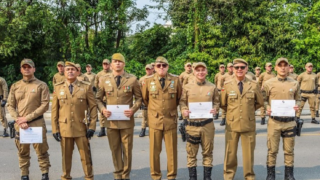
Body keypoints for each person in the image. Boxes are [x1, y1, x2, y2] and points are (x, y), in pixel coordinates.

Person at [96, 53, 142, 180]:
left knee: (127, 150)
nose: (117, 63)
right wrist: (103, 109)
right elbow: (98, 99)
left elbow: (139, 99)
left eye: (120, 61)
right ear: (111, 64)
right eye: (115, 61)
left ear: (124, 64)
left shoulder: (132, 79)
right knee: (115, 149)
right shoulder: (104, 80)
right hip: (111, 122)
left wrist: (133, 110)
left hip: (127, 121)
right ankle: (118, 174)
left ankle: (125, 175)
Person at [51, 61, 97, 180]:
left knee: (86, 157)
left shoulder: (86, 86)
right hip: (64, 128)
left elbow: (93, 107)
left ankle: (89, 177)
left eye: (73, 69)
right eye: (68, 70)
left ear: (77, 72)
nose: (70, 71)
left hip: (81, 127)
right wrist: (55, 129)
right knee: (66, 157)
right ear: (64, 72)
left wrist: (92, 127)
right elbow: (54, 111)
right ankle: (66, 177)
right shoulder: (58, 87)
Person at [7, 59, 51, 180]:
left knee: (42, 152)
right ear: (21, 69)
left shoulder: (41, 85)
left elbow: (44, 105)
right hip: (20, 125)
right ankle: (24, 174)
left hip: (37, 123)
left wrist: (26, 118)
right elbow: (10, 105)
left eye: (29, 67)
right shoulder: (15, 86)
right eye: (24, 67)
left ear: (34, 69)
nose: (27, 69)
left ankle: (44, 173)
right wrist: (18, 119)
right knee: (22, 152)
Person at [220, 58, 264, 180]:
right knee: (230, 154)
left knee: (248, 155)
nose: (239, 70)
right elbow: (223, 104)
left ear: (246, 69)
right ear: (233, 69)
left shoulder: (254, 85)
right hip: (232, 124)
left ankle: (249, 177)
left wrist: (248, 111)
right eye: (237, 67)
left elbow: (259, 102)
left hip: (248, 124)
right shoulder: (227, 85)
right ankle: (228, 177)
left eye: (242, 67)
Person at [141, 56, 182, 180]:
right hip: (155, 120)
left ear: (168, 67)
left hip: (170, 120)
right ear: (154, 67)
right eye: (159, 66)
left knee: (172, 152)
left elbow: (178, 98)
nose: (161, 68)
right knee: (154, 152)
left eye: (164, 65)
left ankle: (171, 176)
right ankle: (156, 176)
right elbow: (145, 99)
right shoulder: (147, 81)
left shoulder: (175, 80)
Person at [180, 62, 220, 180]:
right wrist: (184, 110)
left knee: (208, 152)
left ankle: (207, 177)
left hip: (207, 124)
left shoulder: (212, 87)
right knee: (191, 153)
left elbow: (217, 102)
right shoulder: (187, 87)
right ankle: (193, 177)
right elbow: (182, 102)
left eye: (203, 70)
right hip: (192, 125)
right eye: (198, 70)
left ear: (206, 72)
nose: (200, 72)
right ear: (194, 72)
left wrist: (215, 109)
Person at [263, 57, 300, 180]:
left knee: (289, 150)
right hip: (274, 122)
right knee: (272, 150)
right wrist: (267, 107)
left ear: (289, 67)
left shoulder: (294, 83)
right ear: (276, 68)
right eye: (280, 65)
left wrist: (297, 106)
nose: (283, 67)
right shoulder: (268, 83)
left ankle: (289, 175)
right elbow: (262, 100)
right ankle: (270, 175)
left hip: (289, 122)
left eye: (285, 65)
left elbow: (299, 99)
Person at [95, 59, 112, 137]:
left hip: (111, 96)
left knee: (111, 113)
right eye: (104, 64)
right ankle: (102, 130)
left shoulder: (112, 73)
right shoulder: (99, 74)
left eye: (107, 64)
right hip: (102, 96)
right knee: (102, 114)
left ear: (109, 65)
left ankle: (111, 129)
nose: (105, 65)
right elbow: (96, 85)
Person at [139, 64, 154, 137]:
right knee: (144, 116)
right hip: (145, 100)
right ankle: (143, 130)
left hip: (153, 100)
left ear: (152, 69)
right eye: (147, 69)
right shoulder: (142, 79)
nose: (148, 70)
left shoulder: (155, 78)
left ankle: (152, 130)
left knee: (153, 116)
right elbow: (139, 90)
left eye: (149, 69)